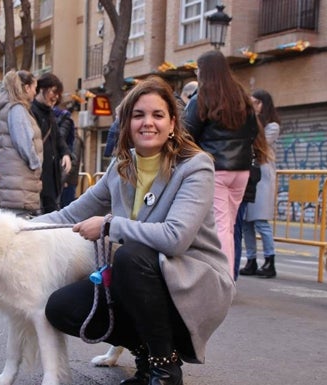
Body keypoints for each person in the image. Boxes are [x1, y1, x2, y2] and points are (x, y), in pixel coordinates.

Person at [35, 77, 234, 385]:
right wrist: (13, 227)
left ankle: (165, 368)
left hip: (191, 283)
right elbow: (69, 214)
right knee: (60, 307)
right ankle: (146, 355)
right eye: (138, 115)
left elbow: (175, 239)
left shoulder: (195, 166)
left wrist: (109, 224)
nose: (147, 123)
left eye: (158, 115)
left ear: (172, 123)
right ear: (127, 123)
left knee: (130, 256)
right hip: (140, 280)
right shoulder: (121, 167)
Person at [184, 50, 258, 279]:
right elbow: (254, 131)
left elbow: (186, 134)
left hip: (215, 169)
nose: (197, 72)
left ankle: (222, 280)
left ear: (205, 71)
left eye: (198, 69)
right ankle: (228, 276)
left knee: (220, 227)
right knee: (230, 225)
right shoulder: (241, 98)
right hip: (241, 170)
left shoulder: (202, 98)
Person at [240, 89, 281, 278]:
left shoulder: (272, 126)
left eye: (255, 102)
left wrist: (253, 117)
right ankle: (251, 260)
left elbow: (259, 142)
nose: (252, 106)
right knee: (246, 222)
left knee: (260, 221)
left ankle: (270, 261)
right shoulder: (250, 122)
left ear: (263, 104)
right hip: (248, 174)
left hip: (263, 176)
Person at [0, 70, 43, 217]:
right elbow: (24, 143)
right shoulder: (17, 109)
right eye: (34, 87)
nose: (35, 92)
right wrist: (35, 165)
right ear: (26, 88)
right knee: (22, 226)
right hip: (21, 182)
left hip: (13, 181)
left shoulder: (8, 108)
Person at [30, 72, 72, 213]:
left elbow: (58, 137)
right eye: (53, 92)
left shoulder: (50, 114)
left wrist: (65, 153)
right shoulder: (31, 112)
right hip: (37, 175)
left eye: (58, 94)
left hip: (51, 176)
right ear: (42, 88)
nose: (56, 97)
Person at [54, 104, 82, 207]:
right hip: (65, 179)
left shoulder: (74, 141)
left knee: (65, 208)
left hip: (68, 181)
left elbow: (73, 160)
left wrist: (64, 179)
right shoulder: (70, 140)